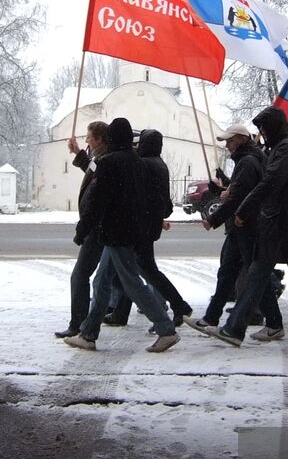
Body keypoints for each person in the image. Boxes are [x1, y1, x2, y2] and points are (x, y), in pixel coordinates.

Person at [199, 106, 288, 354]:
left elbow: (270, 182)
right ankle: (234, 329)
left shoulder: (285, 148)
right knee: (256, 275)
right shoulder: (279, 148)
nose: (261, 133)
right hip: (276, 224)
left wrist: (243, 209)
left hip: (287, 225)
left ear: (274, 127)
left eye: (264, 128)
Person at [66, 118, 179, 352]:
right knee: (102, 281)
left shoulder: (109, 163)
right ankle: (88, 334)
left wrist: (82, 229)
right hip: (130, 232)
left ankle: (166, 329)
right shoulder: (138, 162)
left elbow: (97, 203)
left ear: (110, 138)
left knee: (132, 283)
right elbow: (146, 199)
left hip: (116, 233)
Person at [190, 123, 284, 340]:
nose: (228, 145)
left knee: (255, 276)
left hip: (246, 225)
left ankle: (274, 323)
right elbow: (240, 190)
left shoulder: (248, 161)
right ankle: (211, 317)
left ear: (242, 139)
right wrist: (225, 188)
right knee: (228, 273)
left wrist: (214, 219)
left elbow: (240, 195)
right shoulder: (249, 159)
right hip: (241, 225)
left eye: (230, 141)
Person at [101, 128, 193, 329]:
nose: (137, 146)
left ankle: (177, 306)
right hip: (148, 225)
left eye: (140, 143)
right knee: (133, 271)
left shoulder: (145, 164)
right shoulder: (159, 164)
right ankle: (121, 312)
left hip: (140, 226)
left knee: (142, 272)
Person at [55, 121, 109, 338]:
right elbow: (91, 168)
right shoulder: (100, 159)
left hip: (97, 230)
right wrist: (78, 152)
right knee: (125, 277)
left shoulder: (105, 161)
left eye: (88, 137)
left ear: (99, 139)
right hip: (101, 229)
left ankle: (79, 324)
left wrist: (83, 228)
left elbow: (96, 200)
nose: (86, 140)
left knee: (80, 276)